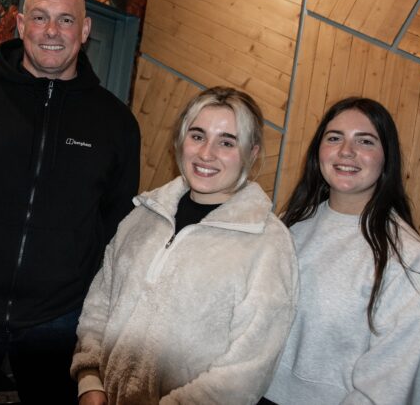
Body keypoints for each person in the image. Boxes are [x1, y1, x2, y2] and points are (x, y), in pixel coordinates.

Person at [0, 0, 140, 404]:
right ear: (21, 25)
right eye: (40, 18)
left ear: (85, 30)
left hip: (59, 319)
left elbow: (117, 223)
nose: (51, 31)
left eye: (65, 20)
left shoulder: (116, 124)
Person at [72, 86, 298, 404]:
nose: (206, 153)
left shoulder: (268, 245)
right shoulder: (142, 217)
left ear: (252, 152)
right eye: (197, 136)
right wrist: (89, 380)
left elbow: (247, 369)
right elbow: (100, 305)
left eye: (227, 142)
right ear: (180, 140)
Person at [263, 97, 420, 404]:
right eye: (334, 138)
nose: (346, 152)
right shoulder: (291, 225)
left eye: (365, 141)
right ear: (318, 151)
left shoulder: (407, 258)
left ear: (385, 159)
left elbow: (397, 380)